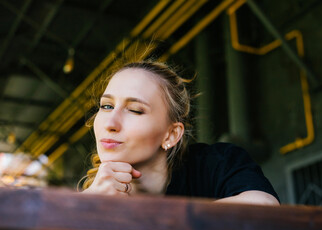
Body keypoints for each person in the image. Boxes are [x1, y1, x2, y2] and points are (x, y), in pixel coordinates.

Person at [81, 60, 280, 205]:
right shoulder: (88, 200)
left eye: (135, 110)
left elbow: (266, 208)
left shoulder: (216, 163)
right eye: (106, 106)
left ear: (171, 135)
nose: (111, 123)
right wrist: (84, 206)